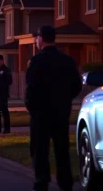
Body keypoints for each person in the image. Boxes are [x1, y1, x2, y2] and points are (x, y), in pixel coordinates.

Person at [26, 25, 82, 191]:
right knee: (62, 149)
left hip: (40, 114)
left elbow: (30, 88)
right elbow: (76, 85)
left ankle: (41, 182)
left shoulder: (36, 61)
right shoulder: (67, 61)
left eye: (36, 38)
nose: (36, 41)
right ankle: (65, 183)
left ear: (41, 39)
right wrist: (64, 99)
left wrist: (31, 107)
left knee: (40, 150)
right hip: (60, 112)